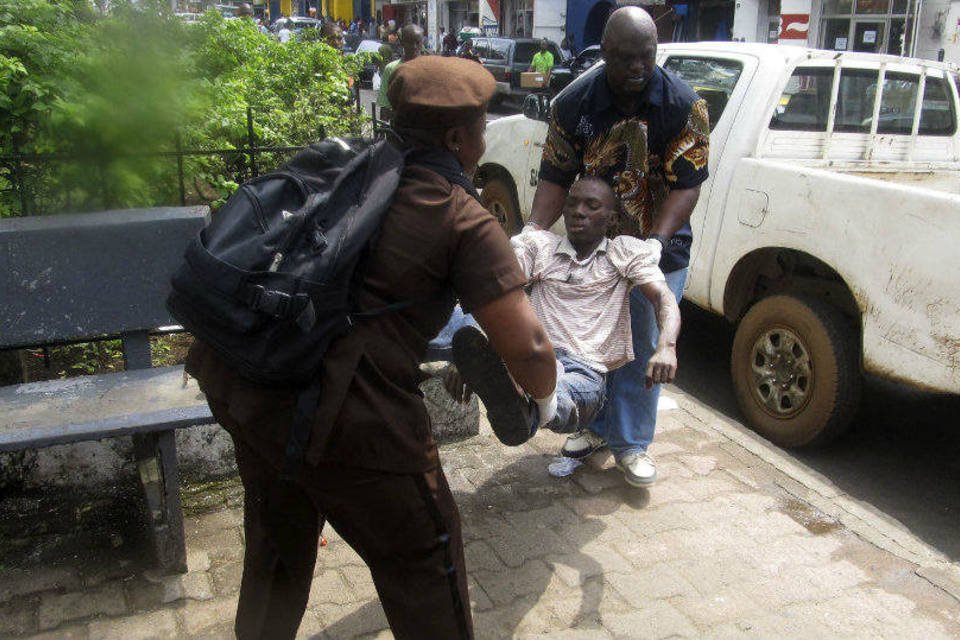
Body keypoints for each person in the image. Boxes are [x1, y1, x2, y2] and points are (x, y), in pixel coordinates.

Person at [184, 55, 557, 640]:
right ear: (458, 137)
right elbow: (531, 349)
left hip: (250, 384)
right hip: (349, 417)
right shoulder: (462, 215)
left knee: (277, 541)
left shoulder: (347, 164)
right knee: (426, 556)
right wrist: (546, 399)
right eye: (482, 128)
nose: (485, 140)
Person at [525, 6, 709, 488]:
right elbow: (555, 176)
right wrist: (534, 233)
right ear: (604, 53)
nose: (637, 68)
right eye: (625, 58)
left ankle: (631, 444)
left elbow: (686, 185)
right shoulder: (573, 105)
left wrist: (655, 241)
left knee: (644, 344)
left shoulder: (684, 105)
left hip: (655, 249)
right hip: (593, 250)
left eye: (646, 57)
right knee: (588, 342)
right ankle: (592, 429)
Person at [441, 177, 681, 451]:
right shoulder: (539, 246)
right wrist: (470, 354)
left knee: (567, 395)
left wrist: (667, 346)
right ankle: (523, 400)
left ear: (612, 219)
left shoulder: (624, 252)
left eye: (591, 206)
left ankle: (528, 405)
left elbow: (664, 298)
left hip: (584, 368)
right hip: (533, 356)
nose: (579, 211)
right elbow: (495, 294)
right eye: (572, 203)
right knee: (522, 367)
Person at [377, 24, 424, 122]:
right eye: (410, 42)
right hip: (400, 130)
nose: (414, 46)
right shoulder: (391, 69)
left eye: (418, 42)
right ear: (402, 43)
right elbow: (385, 106)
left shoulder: (429, 68)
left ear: (422, 43)